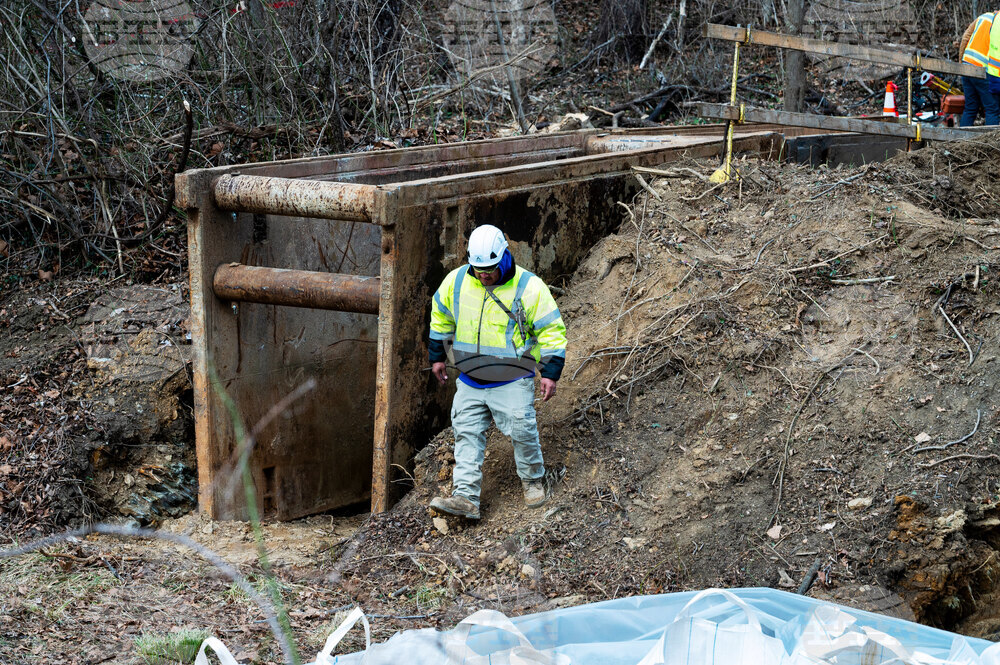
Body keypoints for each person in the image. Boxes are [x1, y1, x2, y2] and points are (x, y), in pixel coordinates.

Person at [427, 224, 567, 520]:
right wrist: (437, 355)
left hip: (513, 377)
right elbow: (440, 313)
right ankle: (465, 498)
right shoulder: (456, 282)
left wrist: (550, 372)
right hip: (469, 378)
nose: (484, 275)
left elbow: (552, 330)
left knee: (521, 429)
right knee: (465, 433)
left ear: (504, 256)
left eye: (490, 268)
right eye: (478, 269)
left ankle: (532, 479)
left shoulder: (529, 287)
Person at [957, 11, 999, 126]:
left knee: (970, 108)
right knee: (992, 109)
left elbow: (965, 37)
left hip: (967, 66)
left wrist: (961, 64)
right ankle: (991, 143)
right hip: (983, 70)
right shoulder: (998, 24)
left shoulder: (983, 17)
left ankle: (961, 141)